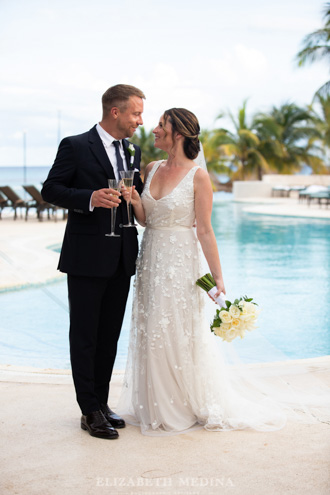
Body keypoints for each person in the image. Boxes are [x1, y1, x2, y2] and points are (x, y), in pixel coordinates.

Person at [117, 108, 288, 435]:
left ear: (177, 133)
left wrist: (217, 277)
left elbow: (205, 231)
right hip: (150, 258)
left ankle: (182, 404)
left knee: (176, 331)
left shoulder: (198, 177)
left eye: (160, 125)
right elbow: (145, 219)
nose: (153, 130)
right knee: (149, 329)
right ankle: (155, 403)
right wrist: (133, 199)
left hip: (182, 263)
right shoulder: (150, 168)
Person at [41, 84, 145, 439]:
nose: (140, 121)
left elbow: (137, 196)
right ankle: (88, 411)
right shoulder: (75, 145)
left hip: (122, 254)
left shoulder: (133, 150)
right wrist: (89, 197)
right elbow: (51, 189)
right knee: (84, 335)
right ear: (114, 112)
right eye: (135, 113)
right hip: (86, 257)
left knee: (109, 336)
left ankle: (101, 403)